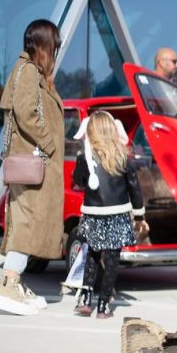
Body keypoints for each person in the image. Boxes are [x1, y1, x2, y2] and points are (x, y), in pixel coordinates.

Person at [0, 19, 65, 316]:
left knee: (28, 222)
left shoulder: (31, 72)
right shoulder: (28, 71)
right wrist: (49, 143)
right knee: (26, 223)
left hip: (35, 163)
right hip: (35, 163)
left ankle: (15, 283)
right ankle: (9, 284)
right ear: (45, 44)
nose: (56, 50)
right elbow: (25, 112)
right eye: (55, 45)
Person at [71, 110, 147, 319]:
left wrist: (81, 162)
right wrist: (139, 216)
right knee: (112, 260)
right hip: (118, 215)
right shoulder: (123, 158)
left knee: (92, 255)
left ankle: (86, 299)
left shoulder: (85, 158)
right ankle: (104, 306)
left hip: (93, 214)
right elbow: (134, 188)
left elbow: (78, 182)